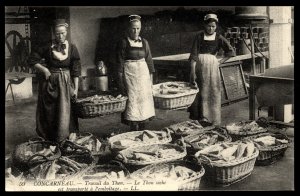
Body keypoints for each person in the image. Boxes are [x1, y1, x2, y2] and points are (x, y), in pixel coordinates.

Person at [28, 19, 81, 142]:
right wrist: (45, 70)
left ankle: (66, 138)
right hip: (51, 84)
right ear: (54, 33)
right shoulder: (47, 47)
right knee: (51, 111)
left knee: (67, 111)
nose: (60, 36)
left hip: (67, 83)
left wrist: (76, 89)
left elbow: (76, 70)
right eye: (57, 33)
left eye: (62, 33)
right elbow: (31, 60)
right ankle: (52, 139)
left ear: (66, 32)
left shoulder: (72, 48)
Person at [188, 13, 236, 126]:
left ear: (216, 26)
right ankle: (201, 118)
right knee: (201, 91)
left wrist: (219, 61)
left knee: (213, 91)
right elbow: (194, 55)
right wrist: (192, 71)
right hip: (200, 66)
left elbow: (231, 52)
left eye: (213, 26)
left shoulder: (219, 37)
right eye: (209, 26)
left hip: (213, 67)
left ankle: (212, 119)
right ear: (205, 25)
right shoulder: (199, 37)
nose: (211, 28)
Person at [116, 15, 155, 131]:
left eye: (138, 28)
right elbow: (119, 63)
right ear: (128, 28)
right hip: (130, 76)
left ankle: (143, 129)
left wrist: (151, 80)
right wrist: (121, 82)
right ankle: (133, 131)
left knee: (144, 103)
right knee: (132, 103)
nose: (136, 31)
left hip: (143, 76)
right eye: (133, 28)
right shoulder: (123, 43)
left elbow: (149, 61)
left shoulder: (144, 42)